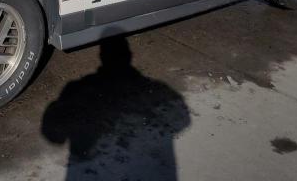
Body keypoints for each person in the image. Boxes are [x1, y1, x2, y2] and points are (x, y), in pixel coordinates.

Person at [41, 33, 190, 181]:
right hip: (136, 166)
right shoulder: (152, 87)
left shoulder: (79, 88)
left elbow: (53, 134)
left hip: (96, 167)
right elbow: (183, 119)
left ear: (101, 56)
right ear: (129, 55)